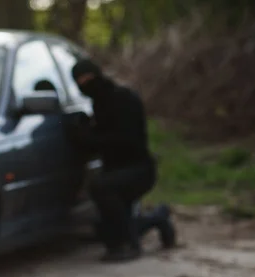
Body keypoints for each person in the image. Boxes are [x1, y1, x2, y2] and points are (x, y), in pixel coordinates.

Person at [70, 59, 176, 262]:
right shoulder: (98, 103)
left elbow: (124, 140)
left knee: (101, 188)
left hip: (138, 170)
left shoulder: (123, 99)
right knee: (107, 229)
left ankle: (128, 245)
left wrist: (89, 137)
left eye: (88, 79)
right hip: (117, 171)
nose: (85, 85)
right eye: (79, 82)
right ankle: (158, 218)